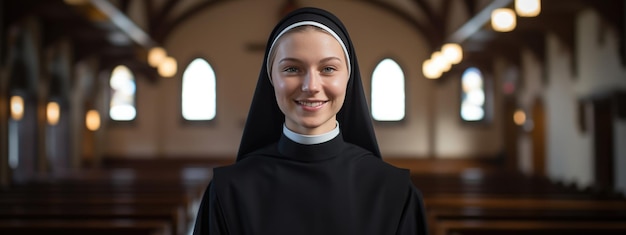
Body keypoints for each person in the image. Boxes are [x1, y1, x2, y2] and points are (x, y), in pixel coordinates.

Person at [193, 7, 428, 235]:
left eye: (327, 68)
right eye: (292, 68)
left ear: (348, 76)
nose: (311, 86)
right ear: (271, 77)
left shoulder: (396, 192)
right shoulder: (228, 192)